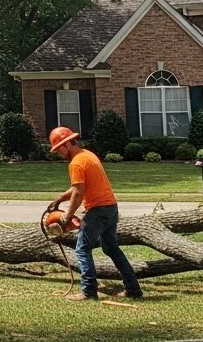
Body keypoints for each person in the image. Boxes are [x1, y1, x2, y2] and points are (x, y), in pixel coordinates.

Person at [48, 126, 142, 301]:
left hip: (98, 210)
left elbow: (78, 192)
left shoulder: (76, 162)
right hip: (111, 207)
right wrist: (60, 199)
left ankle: (89, 291)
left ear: (67, 144)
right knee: (111, 248)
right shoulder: (88, 155)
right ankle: (133, 288)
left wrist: (67, 215)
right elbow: (79, 186)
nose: (58, 153)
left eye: (58, 148)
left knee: (82, 249)